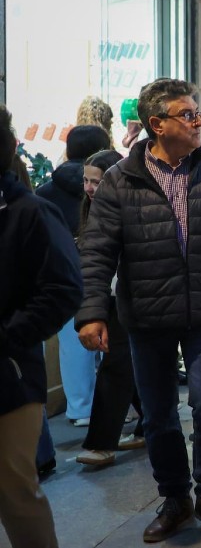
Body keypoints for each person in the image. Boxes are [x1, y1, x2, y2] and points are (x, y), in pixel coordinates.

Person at [77, 78, 201, 542]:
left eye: (200, 113)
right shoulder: (121, 179)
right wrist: (92, 312)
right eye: (189, 115)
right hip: (146, 315)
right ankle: (175, 497)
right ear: (156, 124)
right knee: (157, 414)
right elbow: (98, 251)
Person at [0, 106, 84, 548]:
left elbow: (63, 289)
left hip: (9, 378)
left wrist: (9, 337)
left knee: (15, 492)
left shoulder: (29, 212)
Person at [75, 149, 146, 467]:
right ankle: (149, 423)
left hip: (132, 297)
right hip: (107, 298)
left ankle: (101, 442)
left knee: (116, 365)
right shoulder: (89, 209)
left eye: (96, 180)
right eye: (86, 181)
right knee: (128, 364)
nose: (90, 188)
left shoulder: (130, 205)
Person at [36, 125, 110, 426]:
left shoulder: (45, 191)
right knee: (110, 342)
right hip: (102, 276)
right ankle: (117, 405)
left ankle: (80, 409)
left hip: (60, 276)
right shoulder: (108, 180)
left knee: (71, 344)